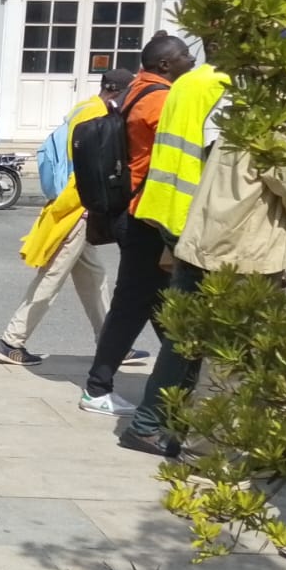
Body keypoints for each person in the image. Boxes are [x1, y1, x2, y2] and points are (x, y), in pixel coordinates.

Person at [120, 124, 286, 460]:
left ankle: (148, 424)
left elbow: (268, 173)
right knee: (231, 359)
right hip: (240, 259)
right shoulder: (275, 132)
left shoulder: (245, 122)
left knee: (184, 347)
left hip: (205, 247)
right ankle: (204, 452)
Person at [0, 69, 150, 367]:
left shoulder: (84, 107)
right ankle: (11, 341)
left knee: (94, 278)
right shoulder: (97, 114)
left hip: (75, 206)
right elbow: (92, 166)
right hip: (77, 208)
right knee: (52, 277)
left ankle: (112, 342)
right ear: (118, 91)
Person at [79, 35, 198, 416]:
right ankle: (98, 388)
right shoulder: (160, 99)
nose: (191, 59)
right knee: (134, 303)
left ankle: (184, 379)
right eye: (185, 55)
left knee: (160, 301)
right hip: (143, 215)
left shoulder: (134, 89)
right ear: (165, 65)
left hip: (133, 212)